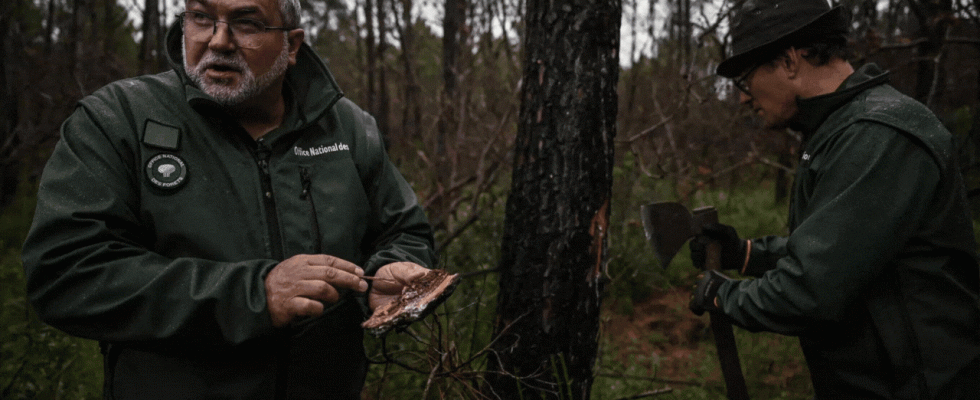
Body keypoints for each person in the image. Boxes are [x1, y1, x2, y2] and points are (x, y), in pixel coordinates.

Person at [21, 0, 436, 398]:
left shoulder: (347, 128)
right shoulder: (117, 119)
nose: (218, 40)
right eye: (201, 17)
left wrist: (385, 277)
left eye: (247, 22)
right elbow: (66, 273)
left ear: (291, 45)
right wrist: (255, 296)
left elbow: (405, 231)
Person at [687, 0, 980, 398]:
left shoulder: (877, 134)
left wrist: (724, 295)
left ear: (790, 60)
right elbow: (845, 248)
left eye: (745, 80)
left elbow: (812, 289)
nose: (742, 98)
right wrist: (747, 254)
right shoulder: (841, 129)